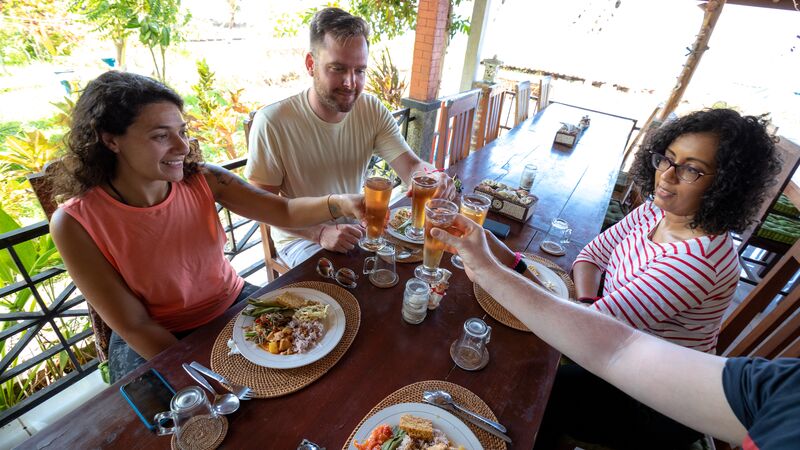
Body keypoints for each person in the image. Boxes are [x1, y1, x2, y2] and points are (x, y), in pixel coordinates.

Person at [49, 71, 365, 383]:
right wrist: (205, 376)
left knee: (325, 352)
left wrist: (340, 203)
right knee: (195, 420)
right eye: (161, 136)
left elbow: (281, 210)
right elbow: (136, 326)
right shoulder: (74, 223)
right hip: (155, 336)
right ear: (110, 140)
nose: (183, 147)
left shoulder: (203, 178)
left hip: (232, 303)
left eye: (181, 132)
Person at [432, 216, 799, 450]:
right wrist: (586, 302)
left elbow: (597, 342)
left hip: (657, 406)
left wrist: (498, 269)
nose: (667, 176)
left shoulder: (699, 261)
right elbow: (593, 261)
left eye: (692, 170)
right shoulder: (660, 210)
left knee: (531, 393)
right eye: (666, 158)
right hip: (625, 353)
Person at [245, 7, 453, 268]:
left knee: (414, 274)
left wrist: (430, 177)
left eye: (360, 71)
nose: (350, 83)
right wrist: (319, 232)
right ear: (311, 64)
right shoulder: (273, 121)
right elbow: (259, 204)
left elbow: (410, 166)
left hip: (357, 227)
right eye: (337, 68)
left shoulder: (371, 108)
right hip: (302, 238)